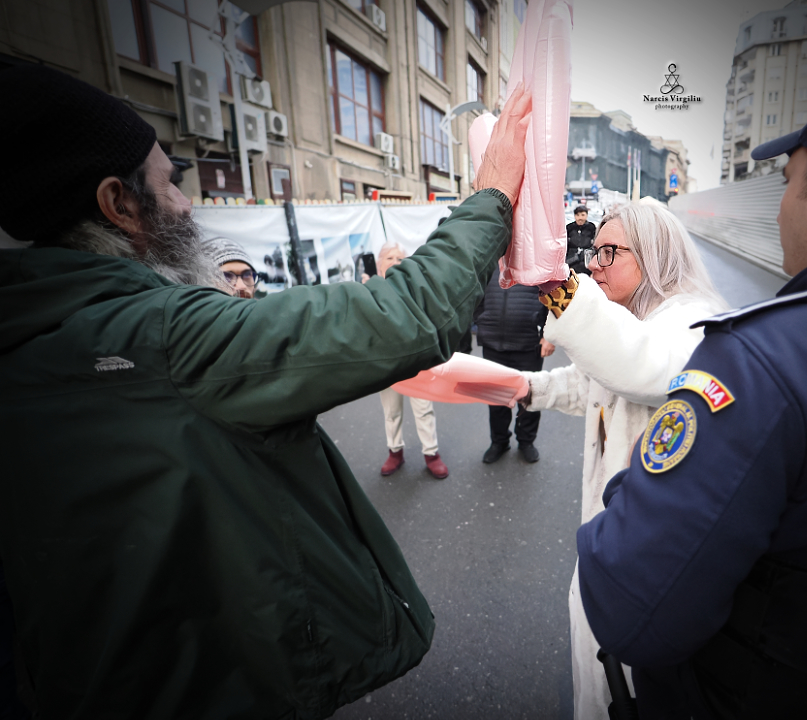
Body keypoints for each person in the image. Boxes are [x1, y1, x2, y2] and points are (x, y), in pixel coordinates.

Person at [0, 64, 531, 718]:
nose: (187, 205)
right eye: (170, 184)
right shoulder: (163, 334)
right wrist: (492, 192)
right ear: (119, 204)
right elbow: (403, 316)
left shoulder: (26, 339)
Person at [576, 69, 807, 719]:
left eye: (786, 182)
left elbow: (627, 603)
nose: (781, 206)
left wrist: (632, 489)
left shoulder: (768, 361)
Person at [523, 198, 726, 719]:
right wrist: (526, 388)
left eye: (609, 252)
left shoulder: (693, 321)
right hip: (610, 547)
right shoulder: (636, 317)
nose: (594, 264)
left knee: (622, 693)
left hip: (645, 571)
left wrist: (561, 287)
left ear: (654, 254)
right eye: (594, 251)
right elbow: (593, 382)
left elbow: (642, 366)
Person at [368, 243, 450, 480]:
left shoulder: (415, 288)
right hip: (386, 362)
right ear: (379, 264)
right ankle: (395, 452)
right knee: (391, 411)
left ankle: (431, 453)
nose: (395, 262)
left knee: (424, 409)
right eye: (389, 258)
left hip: (416, 361)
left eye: (399, 258)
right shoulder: (369, 291)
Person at [474, 267, 555, 464]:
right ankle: (499, 442)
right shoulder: (488, 264)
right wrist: (482, 321)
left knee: (529, 398)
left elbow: (552, 299)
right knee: (497, 399)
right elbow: (475, 296)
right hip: (493, 344)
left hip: (528, 344)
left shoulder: (536, 266)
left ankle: (526, 441)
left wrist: (549, 335)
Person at [566, 205, 596, 275]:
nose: (580, 218)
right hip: (571, 261)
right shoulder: (569, 228)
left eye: (583, 215)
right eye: (578, 215)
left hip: (586, 260)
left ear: (586, 215)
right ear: (574, 216)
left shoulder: (591, 227)